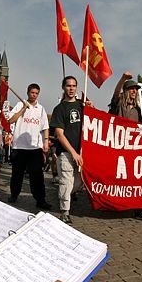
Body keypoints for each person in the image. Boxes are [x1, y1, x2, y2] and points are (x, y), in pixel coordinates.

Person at [109, 72, 142, 221]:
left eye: (136, 89)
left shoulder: (139, 110)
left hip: (135, 149)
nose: (135, 91)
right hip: (120, 147)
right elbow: (115, 94)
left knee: (138, 179)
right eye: (132, 88)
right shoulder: (120, 103)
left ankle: (139, 209)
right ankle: (115, 203)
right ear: (126, 91)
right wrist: (123, 79)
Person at [51, 76, 92, 224]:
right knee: (66, 182)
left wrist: (91, 110)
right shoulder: (59, 109)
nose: (71, 88)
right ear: (63, 87)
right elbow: (60, 135)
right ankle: (65, 212)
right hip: (67, 153)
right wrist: (73, 153)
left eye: (74, 86)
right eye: (68, 86)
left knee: (80, 182)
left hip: (82, 153)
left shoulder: (82, 107)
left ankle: (64, 196)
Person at [8, 83, 52, 210]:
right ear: (28, 92)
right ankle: (14, 195)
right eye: (32, 93)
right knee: (17, 174)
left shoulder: (41, 109)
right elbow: (11, 120)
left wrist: (45, 141)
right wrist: (23, 109)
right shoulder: (19, 105)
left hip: (34, 147)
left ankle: (40, 200)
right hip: (19, 146)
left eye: (36, 93)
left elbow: (45, 127)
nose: (34, 95)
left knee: (37, 175)